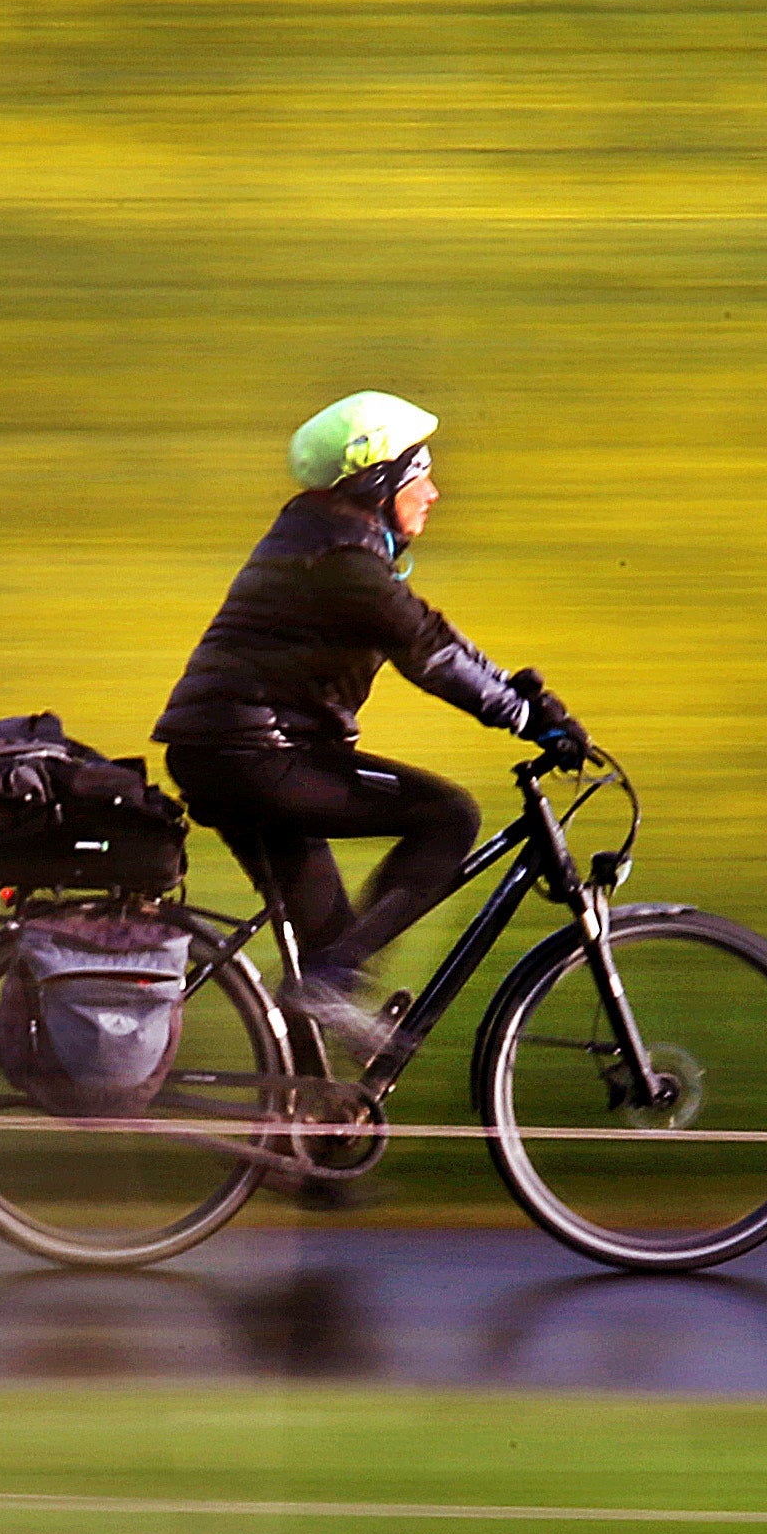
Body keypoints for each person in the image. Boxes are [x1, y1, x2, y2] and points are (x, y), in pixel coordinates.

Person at [155, 391, 585, 1059]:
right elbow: (428, 652)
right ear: (379, 484)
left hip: (230, 751)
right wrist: (525, 719)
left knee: (323, 944)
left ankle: (301, 1130)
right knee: (447, 816)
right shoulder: (341, 565)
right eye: (422, 472)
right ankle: (329, 986)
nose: (435, 492)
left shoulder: (326, 542)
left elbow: (429, 629)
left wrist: (521, 696)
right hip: (257, 754)